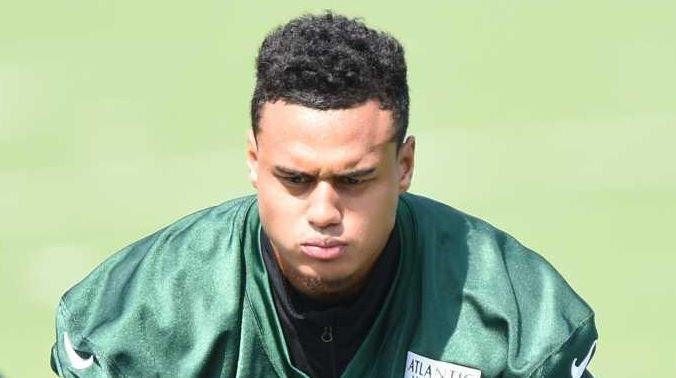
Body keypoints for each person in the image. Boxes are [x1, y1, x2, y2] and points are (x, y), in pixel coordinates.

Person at [50, 12, 598, 378]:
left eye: (354, 180)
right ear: (253, 161)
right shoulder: (145, 316)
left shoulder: (510, 320)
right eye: (295, 179)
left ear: (403, 166)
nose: (323, 212)